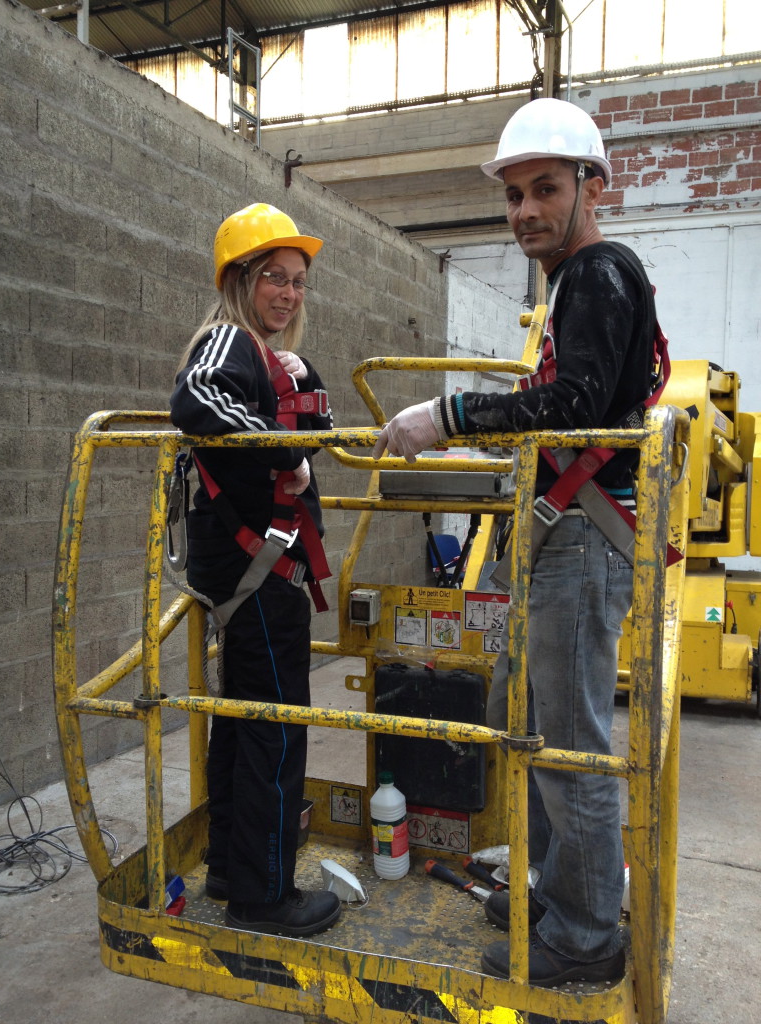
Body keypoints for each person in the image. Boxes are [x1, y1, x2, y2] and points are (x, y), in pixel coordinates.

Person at [373, 98, 662, 985]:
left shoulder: (600, 273)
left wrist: (451, 413)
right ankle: (553, 892)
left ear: (590, 185)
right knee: (531, 728)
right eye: (513, 195)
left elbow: (573, 407)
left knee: (569, 743)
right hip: (556, 536)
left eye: (544, 189)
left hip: (582, 538)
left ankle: (585, 937)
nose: (525, 210)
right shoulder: (575, 284)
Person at [170, 202, 340, 937]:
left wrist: (301, 404)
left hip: (265, 571)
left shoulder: (272, 360)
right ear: (240, 279)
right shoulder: (223, 345)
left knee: (245, 724)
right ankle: (265, 895)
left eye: (299, 281)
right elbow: (195, 399)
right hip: (256, 571)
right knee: (275, 727)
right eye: (275, 277)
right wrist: (284, 447)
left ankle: (233, 871)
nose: (289, 293)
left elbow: (320, 429)